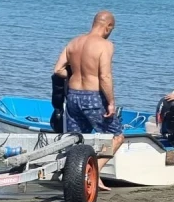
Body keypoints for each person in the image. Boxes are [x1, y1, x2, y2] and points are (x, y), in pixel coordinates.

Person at [52, 11, 125, 181]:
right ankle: (92, 174)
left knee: (75, 141)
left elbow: (58, 70)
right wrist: (111, 102)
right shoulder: (105, 45)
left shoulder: (73, 42)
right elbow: (105, 76)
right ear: (108, 27)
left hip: (73, 96)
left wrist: (75, 75)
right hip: (93, 97)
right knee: (117, 137)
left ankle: (73, 176)